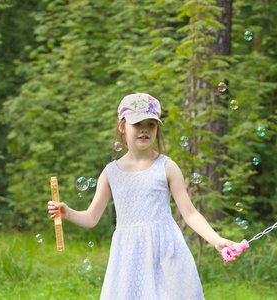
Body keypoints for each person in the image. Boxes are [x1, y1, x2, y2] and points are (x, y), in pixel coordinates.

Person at [48, 93, 239, 300]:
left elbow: (190, 213)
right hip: (129, 254)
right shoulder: (111, 173)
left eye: (151, 124)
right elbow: (91, 217)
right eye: (137, 123)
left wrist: (216, 239)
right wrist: (68, 213)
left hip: (166, 249)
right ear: (122, 127)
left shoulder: (166, 167)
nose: (144, 129)